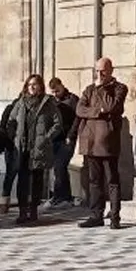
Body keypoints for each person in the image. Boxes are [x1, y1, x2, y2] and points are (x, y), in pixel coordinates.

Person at [73, 57, 129, 229]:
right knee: (94, 180)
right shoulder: (89, 89)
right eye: (97, 70)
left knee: (112, 179)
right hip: (90, 141)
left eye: (103, 71)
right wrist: (98, 112)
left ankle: (115, 216)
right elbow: (80, 109)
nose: (99, 74)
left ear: (111, 70)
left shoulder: (119, 88)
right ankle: (96, 214)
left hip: (108, 142)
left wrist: (102, 88)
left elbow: (111, 106)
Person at [5, 74, 63, 225]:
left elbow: (57, 123)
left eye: (35, 84)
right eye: (29, 84)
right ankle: (22, 211)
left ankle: (34, 211)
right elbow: (11, 120)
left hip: (38, 147)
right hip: (22, 147)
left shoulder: (47, 103)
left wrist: (46, 138)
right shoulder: (21, 102)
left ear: (40, 86)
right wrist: (13, 136)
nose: (32, 87)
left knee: (37, 181)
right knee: (22, 180)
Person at [46, 77, 78, 208]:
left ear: (62, 86)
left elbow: (77, 120)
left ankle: (61, 197)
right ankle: (64, 196)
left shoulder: (72, 99)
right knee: (57, 168)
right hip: (55, 138)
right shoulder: (51, 101)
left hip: (67, 138)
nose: (55, 94)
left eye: (57, 91)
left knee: (60, 165)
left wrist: (71, 135)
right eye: (53, 92)